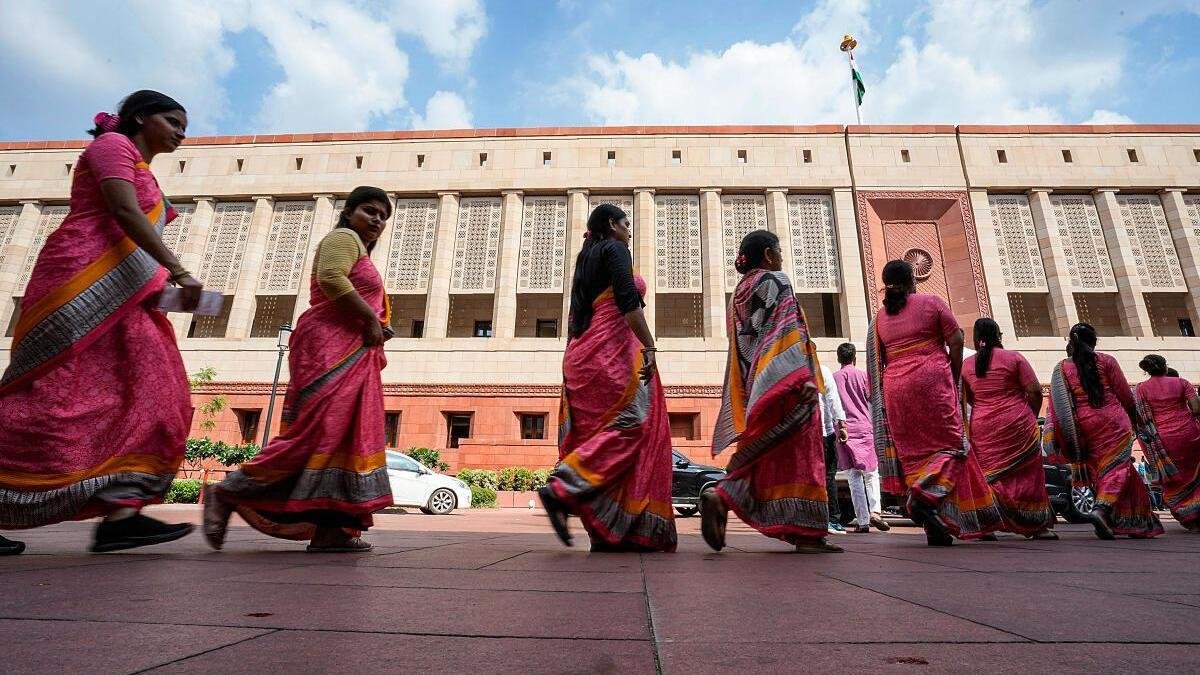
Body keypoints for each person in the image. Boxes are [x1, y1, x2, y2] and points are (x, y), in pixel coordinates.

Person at [0, 91, 199, 555]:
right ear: (140, 118)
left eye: (184, 126)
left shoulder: (148, 174)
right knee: (51, 396)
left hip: (132, 297)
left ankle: (122, 513)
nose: (181, 133)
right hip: (81, 279)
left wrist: (167, 287)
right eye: (172, 121)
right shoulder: (111, 146)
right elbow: (123, 210)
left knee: (157, 393)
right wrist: (180, 270)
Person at [203, 186, 395, 552]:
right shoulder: (343, 238)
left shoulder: (359, 248)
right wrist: (371, 319)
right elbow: (331, 278)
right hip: (328, 349)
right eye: (370, 210)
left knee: (341, 436)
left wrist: (374, 325)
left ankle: (332, 531)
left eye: (383, 216)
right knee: (318, 431)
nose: (377, 220)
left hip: (350, 350)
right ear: (348, 212)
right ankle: (228, 491)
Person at [538, 204, 677, 552]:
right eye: (626, 223)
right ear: (613, 224)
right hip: (610, 355)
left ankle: (610, 533)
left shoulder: (586, 258)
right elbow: (629, 301)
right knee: (635, 424)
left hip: (583, 355)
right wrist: (650, 346)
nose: (629, 230)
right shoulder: (615, 249)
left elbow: (577, 315)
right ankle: (564, 488)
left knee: (599, 435)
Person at [702, 230, 842, 554]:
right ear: (768, 254)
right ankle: (807, 535)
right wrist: (802, 378)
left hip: (757, 385)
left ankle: (723, 497)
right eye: (778, 251)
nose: (781, 257)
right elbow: (785, 331)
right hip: (788, 384)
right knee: (803, 457)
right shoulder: (776, 280)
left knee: (767, 455)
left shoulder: (740, 291)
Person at [866, 260, 1001, 546]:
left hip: (896, 390)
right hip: (932, 384)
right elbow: (957, 340)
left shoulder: (879, 318)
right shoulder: (931, 302)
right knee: (954, 446)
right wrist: (952, 375)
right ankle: (923, 496)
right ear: (912, 280)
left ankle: (935, 525)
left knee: (915, 456)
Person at [1043, 324, 1163, 539]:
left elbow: (1055, 405)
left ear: (1071, 342)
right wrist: (1137, 421)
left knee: (1106, 471)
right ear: (1094, 341)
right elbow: (1125, 395)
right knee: (1117, 468)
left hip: (1082, 427)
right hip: (1113, 422)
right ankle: (1101, 509)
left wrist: (1057, 434)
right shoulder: (1106, 361)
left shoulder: (1061, 368)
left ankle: (1131, 521)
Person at [961, 319, 1056, 540]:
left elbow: (969, 398)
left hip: (983, 426)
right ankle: (1036, 527)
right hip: (1017, 421)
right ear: (998, 335)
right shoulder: (1014, 358)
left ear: (976, 338)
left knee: (988, 477)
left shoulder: (967, 365)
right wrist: (1029, 415)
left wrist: (986, 407)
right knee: (1028, 475)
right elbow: (1034, 391)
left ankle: (988, 526)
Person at [1134, 354, 1200, 531]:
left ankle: (1189, 518)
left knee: (1173, 480)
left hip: (1162, 441)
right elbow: (1196, 408)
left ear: (1146, 370)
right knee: (1195, 474)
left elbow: (1139, 418)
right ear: (1165, 367)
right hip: (1189, 436)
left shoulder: (1140, 389)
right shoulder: (1182, 383)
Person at [833, 342, 889, 534]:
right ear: (854, 358)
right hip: (864, 427)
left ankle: (863, 521)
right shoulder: (863, 376)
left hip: (843, 431)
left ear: (838, 359)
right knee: (871, 473)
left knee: (853, 476)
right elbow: (873, 400)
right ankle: (875, 511)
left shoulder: (834, 378)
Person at [815, 343, 848, 533]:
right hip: (824, 432)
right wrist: (841, 425)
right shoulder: (823, 370)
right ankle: (832, 519)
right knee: (828, 475)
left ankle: (813, 518)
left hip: (804, 436)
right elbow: (833, 399)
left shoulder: (795, 372)